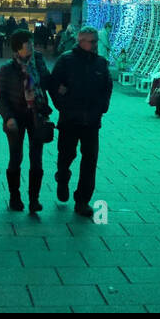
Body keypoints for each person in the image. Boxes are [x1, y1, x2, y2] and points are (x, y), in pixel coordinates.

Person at [50, 27, 112, 217]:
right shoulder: (66, 60)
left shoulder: (101, 63)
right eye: (91, 42)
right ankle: (62, 176)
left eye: (95, 42)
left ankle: (83, 200)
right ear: (80, 41)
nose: (94, 45)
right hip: (70, 119)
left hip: (92, 122)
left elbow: (107, 88)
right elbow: (53, 84)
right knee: (66, 154)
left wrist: (101, 108)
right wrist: (62, 105)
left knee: (90, 161)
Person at [0, 31, 54, 214]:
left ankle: (34, 199)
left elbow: (47, 82)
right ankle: (14, 197)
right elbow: (0, 96)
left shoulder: (38, 60)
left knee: (36, 159)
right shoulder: (7, 68)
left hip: (36, 115)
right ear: (18, 48)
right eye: (27, 43)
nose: (31, 45)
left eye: (31, 42)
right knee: (16, 158)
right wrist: (8, 117)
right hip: (16, 116)